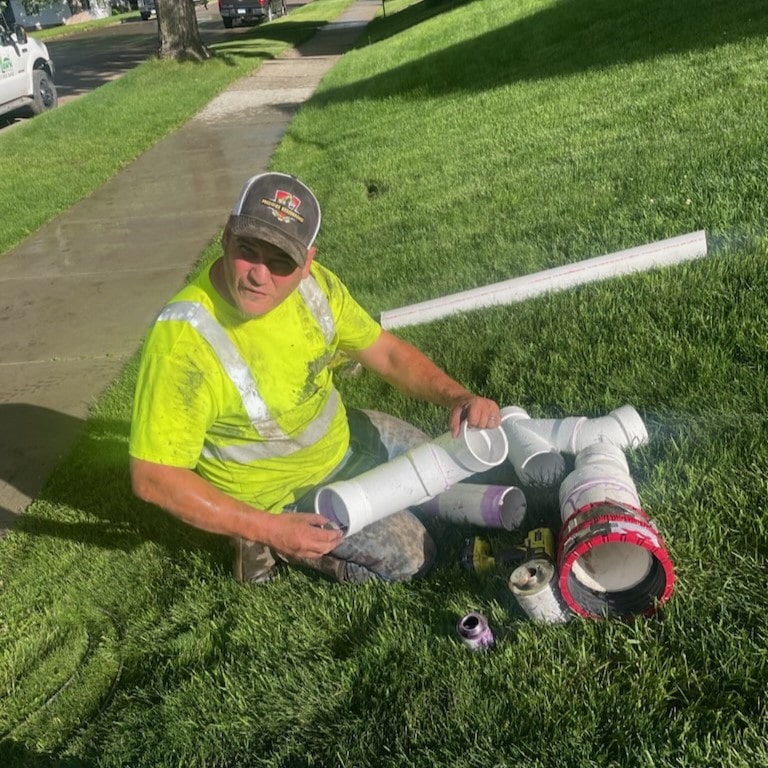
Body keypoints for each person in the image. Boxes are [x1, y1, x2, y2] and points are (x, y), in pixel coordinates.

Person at [129, 172, 501, 585]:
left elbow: (388, 354)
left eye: (281, 262)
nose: (259, 275)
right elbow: (154, 477)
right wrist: (269, 528)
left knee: (453, 475)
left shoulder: (316, 288)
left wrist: (458, 396)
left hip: (345, 437)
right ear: (226, 237)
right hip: (278, 495)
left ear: (307, 262)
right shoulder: (183, 342)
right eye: (248, 251)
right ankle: (258, 542)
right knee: (412, 556)